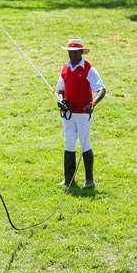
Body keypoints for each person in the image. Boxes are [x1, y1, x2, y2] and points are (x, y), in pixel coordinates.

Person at [56, 39, 106, 189]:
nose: (70, 55)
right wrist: (60, 100)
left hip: (84, 113)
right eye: (69, 52)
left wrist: (93, 103)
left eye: (73, 52)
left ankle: (89, 180)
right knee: (69, 143)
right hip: (68, 113)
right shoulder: (65, 68)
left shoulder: (89, 69)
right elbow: (61, 90)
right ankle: (68, 178)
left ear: (80, 52)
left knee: (85, 144)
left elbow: (101, 89)